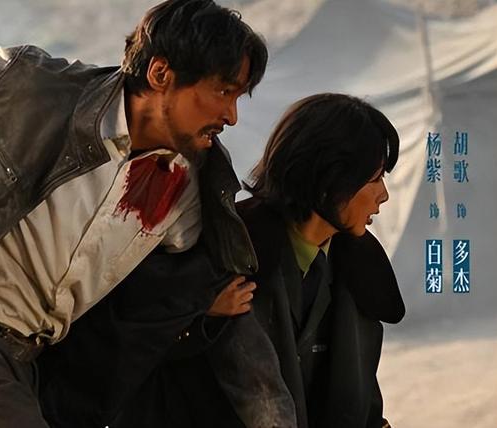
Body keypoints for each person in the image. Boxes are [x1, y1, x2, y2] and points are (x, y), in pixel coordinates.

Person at [0, 0, 267, 426]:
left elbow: (163, 292)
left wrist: (199, 306)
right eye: (223, 91)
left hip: (31, 365)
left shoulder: (194, 187)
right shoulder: (30, 87)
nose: (231, 116)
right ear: (160, 74)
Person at [114, 93, 406, 428]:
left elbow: (362, 397)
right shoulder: (225, 253)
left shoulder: (362, 270)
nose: (383, 195)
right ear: (330, 180)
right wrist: (198, 312)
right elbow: (138, 352)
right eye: (374, 179)